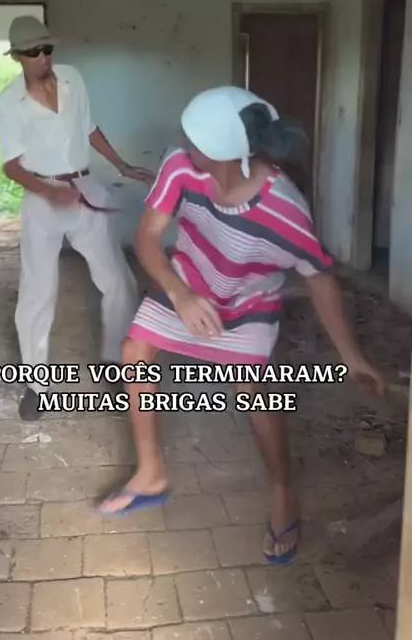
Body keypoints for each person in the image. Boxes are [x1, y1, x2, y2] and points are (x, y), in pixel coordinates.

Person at [98, 85, 384, 566]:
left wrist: (352, 357)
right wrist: (180, 294)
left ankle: (282, 493)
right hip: (186, 279)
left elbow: (320, 278)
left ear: (224, 154)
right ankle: (150, 474)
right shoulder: (180, 166)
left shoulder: (285, 211)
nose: (183, 145)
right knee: (135, 351)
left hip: (249, 301)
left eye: (194, 140)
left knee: (253, 392)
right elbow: (147, 237)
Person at [0, 15, 154, 421]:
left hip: (84, 188)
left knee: (118, 280)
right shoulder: (9, 104)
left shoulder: (73, 79)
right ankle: (37, 385)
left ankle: (115, 363)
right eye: (34, 52)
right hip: (42, 198)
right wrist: (49, 192)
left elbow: (89, 128)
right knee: (37, 292)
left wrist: (121, 165)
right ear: (17, 56)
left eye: (47, 49)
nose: (43, 58)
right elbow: (11, 166)